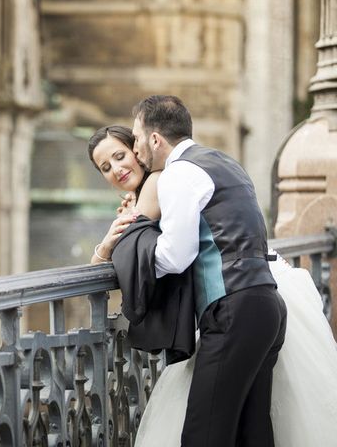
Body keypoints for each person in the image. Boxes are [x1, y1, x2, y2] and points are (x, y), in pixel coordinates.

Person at [87, 119, 337, 446]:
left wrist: (106, 246)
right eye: (105, 167)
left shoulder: (160, 182)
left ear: (140, 148)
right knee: (253, 421)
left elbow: (134, 257)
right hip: (259, 294)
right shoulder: (174, 179)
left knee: (207, 429)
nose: (116, 169)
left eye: (121, 155)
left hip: (232, 298)